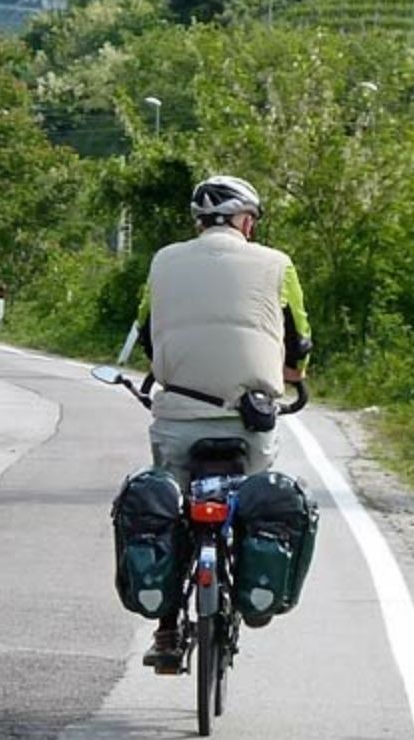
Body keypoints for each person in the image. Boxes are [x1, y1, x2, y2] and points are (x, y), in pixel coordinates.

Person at [134, 175, 311, 669]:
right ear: (247, 222)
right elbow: (299, 338)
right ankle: (253, 586)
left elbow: (148, 331)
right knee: (256, 501)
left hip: (177, 417)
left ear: (198, 222)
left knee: (169, 509)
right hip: (248, 423)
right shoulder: (279, 264)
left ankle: (167, 629)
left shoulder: (163, 261)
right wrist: (291, 376)